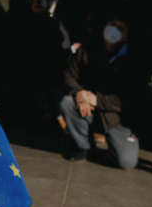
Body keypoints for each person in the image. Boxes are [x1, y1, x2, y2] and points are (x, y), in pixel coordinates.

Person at [60, 19, 141, 169]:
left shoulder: (133, 59)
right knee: (67, 102)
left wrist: (98, 100)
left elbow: (131, 99)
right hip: (88, 107)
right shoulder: (89, 48)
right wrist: (79, 93)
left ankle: (113, 148)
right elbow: (67, 75)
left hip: (116, 118)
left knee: (127, 162)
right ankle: (83, 145)